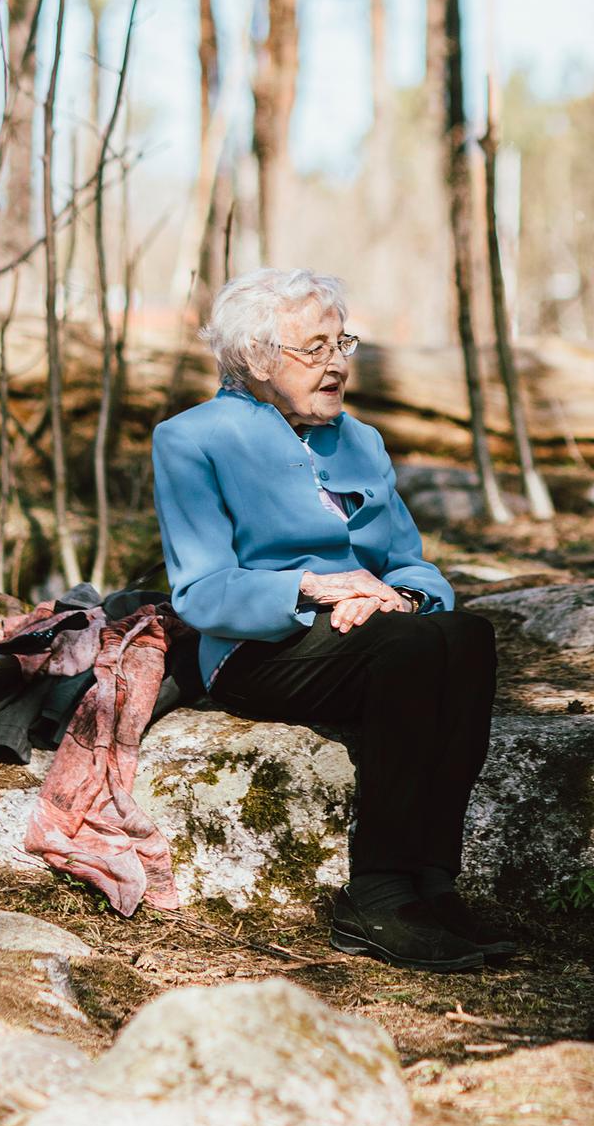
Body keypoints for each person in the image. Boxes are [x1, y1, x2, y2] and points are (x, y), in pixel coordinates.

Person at [152, 267, 508, 973]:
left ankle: (433, 881)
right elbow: (203, 591)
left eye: (342, 342)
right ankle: (376, 896)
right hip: (257, 647)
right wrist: (316, 587)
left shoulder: (361, 442)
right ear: (256, 358)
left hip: (368, 630)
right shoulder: (190, 439)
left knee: (466, 634)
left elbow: (410, 563)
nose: (339, 362)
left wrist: (396, 596)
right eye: (314, 348)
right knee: (405, 649)